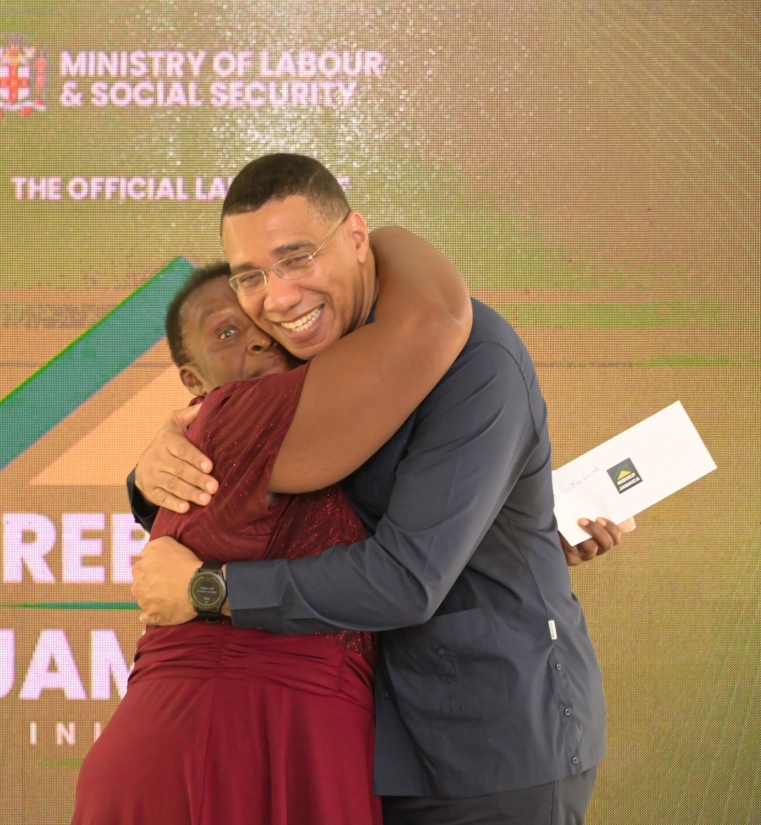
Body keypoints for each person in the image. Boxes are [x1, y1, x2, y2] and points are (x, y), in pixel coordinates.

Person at [129, 153, 629, 825]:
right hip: (366, 746)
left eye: (298, 257)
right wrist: (148, 475)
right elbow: (254, 486)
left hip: (493, 752)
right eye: (252, 276)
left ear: (358, 240)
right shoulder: (308, 362)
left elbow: (406, 579)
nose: (278, 298)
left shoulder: (476, 359)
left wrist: (207, 589)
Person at [72, 226, 475, 824]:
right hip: (213, 742)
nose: (260, 342)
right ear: (192, 380)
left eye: (270, 325)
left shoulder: (334, 426)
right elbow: (437, 311)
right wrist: (374, 238)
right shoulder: (241, 416)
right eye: (228, 333)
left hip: (295, 739)